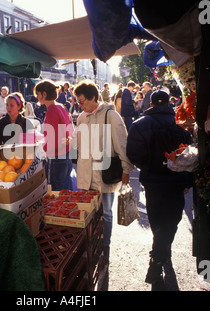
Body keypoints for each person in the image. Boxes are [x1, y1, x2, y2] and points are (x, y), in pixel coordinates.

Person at [126, 90, 192, 288]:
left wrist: (147, 167)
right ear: (169, 104)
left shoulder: (139, 125)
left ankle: (157, 260)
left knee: (156, 220)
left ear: (152, 104)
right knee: (171, 220)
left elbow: (133, 154)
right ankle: (162, 253)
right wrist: (187, 180)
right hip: (176, 181)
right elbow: (190, 157)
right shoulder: (181, 127)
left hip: (152, 182)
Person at [72, 80, 135, 265]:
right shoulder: (82, 117)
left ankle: (105, 247)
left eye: (82, 101)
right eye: (78, 101)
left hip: (104, 173)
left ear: (93, 98)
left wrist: (126, 169)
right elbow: (78, 143)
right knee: (88, 212)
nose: (80, 105)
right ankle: (91, 243)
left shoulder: (111, 116)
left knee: (106, 212)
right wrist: (70, 143)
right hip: (86, 174)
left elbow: (122, 145)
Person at [34, 79, 74, 191]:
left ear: (44, 94)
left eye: (38, 94)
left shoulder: (52, 111)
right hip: (65, 156)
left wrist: (40, 148)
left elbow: (53, 142)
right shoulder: (60, 107)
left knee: (54, 193)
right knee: (65, 193)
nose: (37, 96)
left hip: (56, 159)